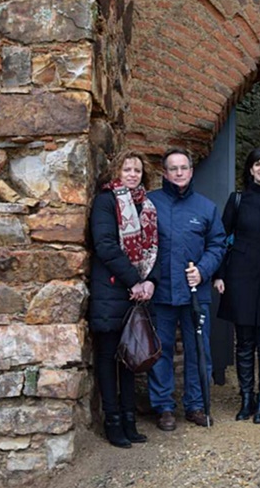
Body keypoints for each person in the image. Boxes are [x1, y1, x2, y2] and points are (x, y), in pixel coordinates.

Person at [148, 148, 225, 431]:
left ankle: (196, 405)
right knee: (160, 351)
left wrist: (203, 270)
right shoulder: (150, 204)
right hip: (161, 293)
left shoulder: (206, 208)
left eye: (184, 168)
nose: (179, 173)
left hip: (196, 293)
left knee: (198, 351)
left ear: (191, 171)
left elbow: (218, 244)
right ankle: (164, 407)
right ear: (165, 173)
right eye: (173, 168)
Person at [89, 149, 159, 448]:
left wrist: (149, 282)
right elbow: (105, 245)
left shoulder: (147, 206)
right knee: (107, 358)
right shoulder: (106, 202)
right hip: (111, 289)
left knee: (131, 358)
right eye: (127, 169)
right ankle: (113, 421)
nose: (133, 174)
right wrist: (135, 280)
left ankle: (130, 420)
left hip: (137, 293)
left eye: (138, 171)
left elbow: (155, 249)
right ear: (117, 171)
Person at [213, 148, 260, 424]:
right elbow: (221, 237)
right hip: (240, 277)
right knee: (243, 341)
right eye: (258, 164)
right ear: (251, 169)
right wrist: (218, 274)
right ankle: (246, 397)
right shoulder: (238, 200)